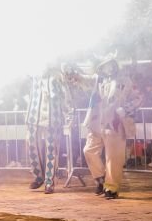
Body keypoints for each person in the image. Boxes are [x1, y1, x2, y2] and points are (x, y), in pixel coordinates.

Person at [81, 54, 141, 200]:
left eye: (110, 64)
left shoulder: (125, 81)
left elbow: (138, 98)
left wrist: (125, 109)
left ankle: (111, 188)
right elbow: (82, 80)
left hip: (116, 123)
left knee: (113, 158)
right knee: (89, 150)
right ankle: (101, 178)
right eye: (104, 65)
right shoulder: (98, 81)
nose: (108, 68)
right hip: (97, 123)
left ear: (115, 65)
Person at [25, 65, 73, 194]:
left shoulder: (58, 75)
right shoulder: (34, 73)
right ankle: (38, 176)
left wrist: (69, 115)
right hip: (34, 116)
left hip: (53, 118)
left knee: (51, 150)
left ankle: (49, 182)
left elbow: (65, 95)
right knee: (31, 146)